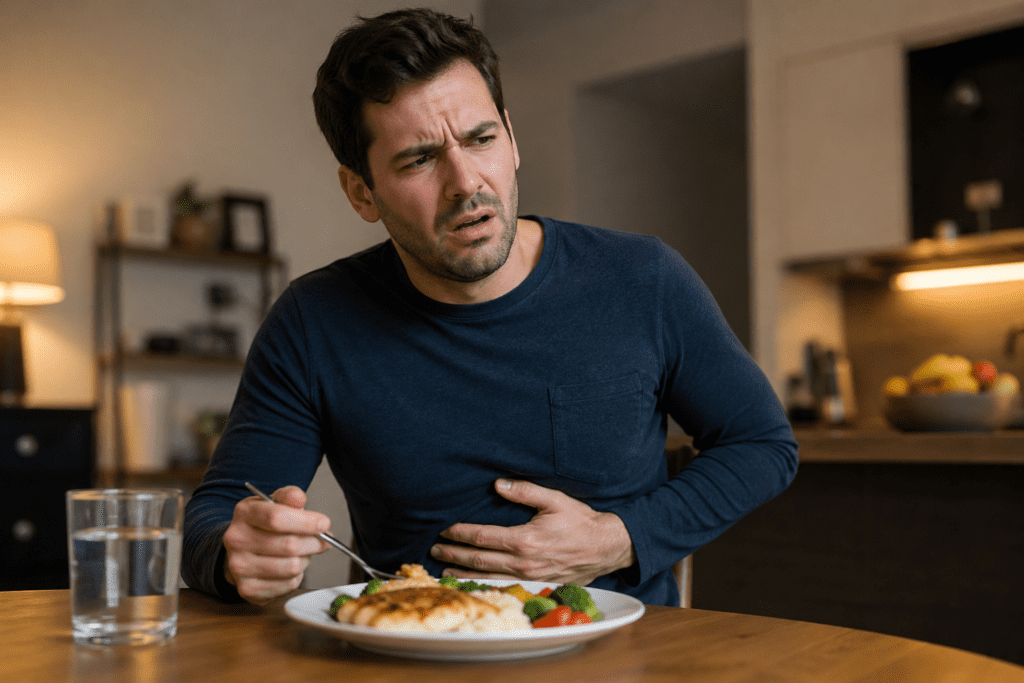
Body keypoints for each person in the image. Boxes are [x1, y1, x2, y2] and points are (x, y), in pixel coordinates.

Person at [182, 7, 798, 607]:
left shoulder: (643, 278)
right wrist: (237, 553)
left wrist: (619, 539)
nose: (466, 183)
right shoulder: (314, 320)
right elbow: (214, 516)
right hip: (410, 644)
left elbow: (763, 444)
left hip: (620, 650)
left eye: (481, 140)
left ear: (511, 139)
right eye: (420, 159)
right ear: (361, 192)